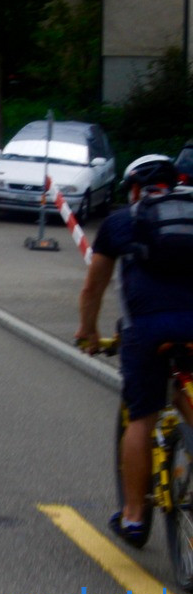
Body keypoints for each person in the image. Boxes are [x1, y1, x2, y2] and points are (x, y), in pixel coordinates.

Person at [77, 155, 193, 548]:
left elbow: (93, 288)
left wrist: (89, 332)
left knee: (141, 416)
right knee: (183, 387)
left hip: (148, 330)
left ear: (134, 188)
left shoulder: (121, 222)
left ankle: (133, 517)